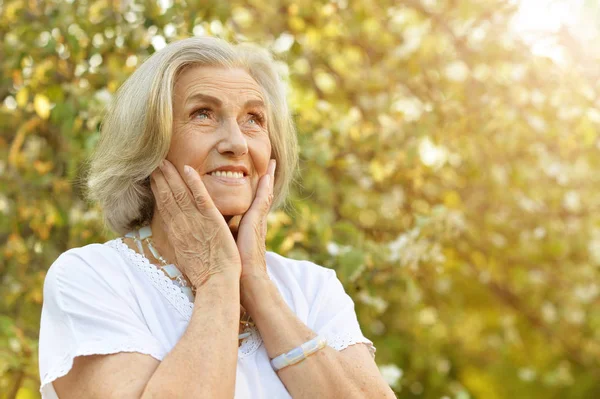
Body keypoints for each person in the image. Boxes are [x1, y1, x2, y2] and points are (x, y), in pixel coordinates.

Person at [38, 36, 395, 398]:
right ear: (148, 143)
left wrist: (257, 284)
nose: (237, 143)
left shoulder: (312, 287)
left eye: (253, 119)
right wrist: (218, 281)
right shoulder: (93, 277)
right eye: (203, 114)